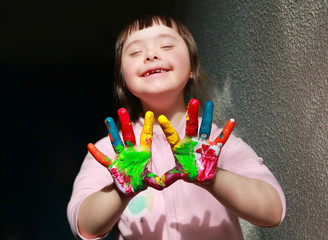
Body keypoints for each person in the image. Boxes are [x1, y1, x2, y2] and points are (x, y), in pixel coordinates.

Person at [67, 14, 286, 240]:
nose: (151, 55)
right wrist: (119, 193)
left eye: (166, 45)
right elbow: (84, 226)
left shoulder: (214, 142)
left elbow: (273, 211)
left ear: (192, 67)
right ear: (122, 80)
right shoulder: (112, 151)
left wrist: (213, 178)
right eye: (135, 52)